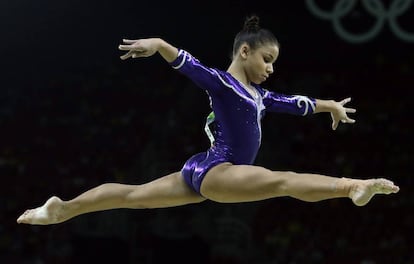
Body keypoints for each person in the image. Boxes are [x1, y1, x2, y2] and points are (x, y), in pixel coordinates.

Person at [17, 15, 399, 225]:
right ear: (244, 50)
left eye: (274, 63)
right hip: (220, 169)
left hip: (201, 169)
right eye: (266, 59)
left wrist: (329, 104)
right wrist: (161, 45)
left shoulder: (259, 95)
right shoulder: (223, 84)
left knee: (133, 196)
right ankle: (351, 187)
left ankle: (62, 208)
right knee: (283, 181)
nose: (270, 69)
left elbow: (296, 103)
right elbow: (191, 66)